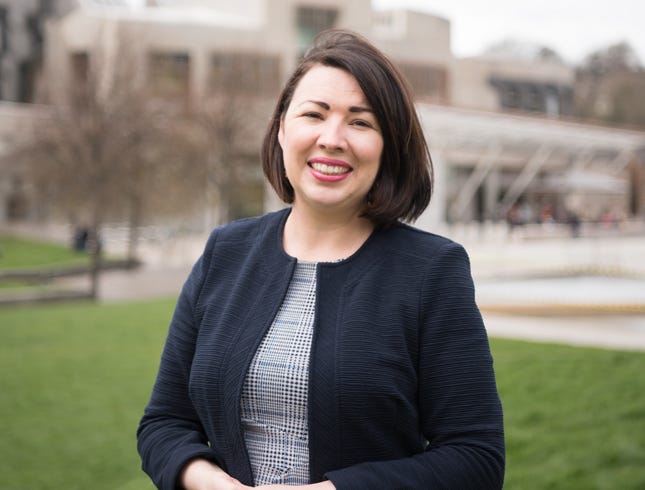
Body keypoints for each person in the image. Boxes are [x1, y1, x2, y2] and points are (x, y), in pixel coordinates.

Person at [137, 29, 504, 490]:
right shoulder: (224, 253)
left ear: (388, 146)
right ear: (282, 130)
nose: (332, 139)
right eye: (314, 114)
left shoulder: (431, 270)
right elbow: (164, 423)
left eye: (360, 122)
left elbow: (476, 459)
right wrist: (209, 482)